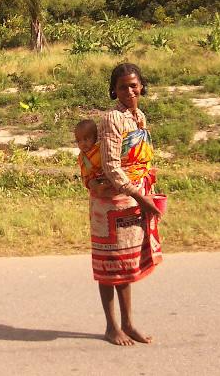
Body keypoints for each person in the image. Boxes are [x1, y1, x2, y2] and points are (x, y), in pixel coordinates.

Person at [90, 62, 164, 346]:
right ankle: (112, 327)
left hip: (133, 198)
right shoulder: (112, 119)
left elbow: (140, 159)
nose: (130, 91)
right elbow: (110, 166)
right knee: (110, 265)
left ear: (142, 86)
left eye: (134, 85)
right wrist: (139, 195)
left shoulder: (139, 117)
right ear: (114, 90)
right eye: (123, 87)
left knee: (126, 265)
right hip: (111, 202)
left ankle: (129, 323)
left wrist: (147, 192)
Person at [75, 119, 117, 199]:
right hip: (92, 176)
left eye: (86, 139)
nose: (82, 143)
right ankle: (98, 188)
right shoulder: (82, 156)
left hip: (105, 172)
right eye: (78, 141)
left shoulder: (100, 147)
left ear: (95, 137)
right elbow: (86, 171)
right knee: (90, 182)